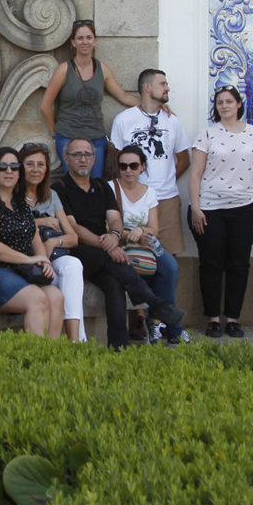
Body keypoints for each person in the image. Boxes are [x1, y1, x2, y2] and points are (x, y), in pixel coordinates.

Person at [55, 138, 185, 347]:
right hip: (78, 251)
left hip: (105, 248)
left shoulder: (102, 186)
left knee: (114, 285)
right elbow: (73, 228)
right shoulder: (59, 188)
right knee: (110, 260)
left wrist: (115, 236)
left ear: (94, 159)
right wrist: (107, 246)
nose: (82, 159)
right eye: (77, 155)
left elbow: (115, 218)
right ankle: (154, 302)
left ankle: (119, 347)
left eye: (87, 154)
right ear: (66, 159)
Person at [108, 69, 190, 325]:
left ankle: (160, 321)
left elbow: (184, 158)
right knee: (134, 255)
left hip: (165, 199)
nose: (167, 88)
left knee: (167, 260)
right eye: (163, 83)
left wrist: (161, 184)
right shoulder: (124, 119)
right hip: (129, 198)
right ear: (147, 87)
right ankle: (139, 316)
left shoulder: (172, 121)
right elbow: (114, 160)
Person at [187, 85, 253, 339]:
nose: (224, 106)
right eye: (220, 102)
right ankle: (213, 318)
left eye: (229, 102)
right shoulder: (207, 134)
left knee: (238, 264)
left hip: (244, 209)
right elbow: (196, 174)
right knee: (211, 264)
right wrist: (196, 208)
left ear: (238, 105)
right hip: (210, 209)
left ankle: (233, 318)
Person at [0, 147, 69, 339]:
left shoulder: (19, 202)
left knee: (57, 297)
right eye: (3, 167)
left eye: (14, 167)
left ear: (19, 173)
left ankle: (51, 358)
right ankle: (33, 361)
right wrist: (30, 259)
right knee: (38, 299)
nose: (9, 171)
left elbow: (33, 234)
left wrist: (43, 260)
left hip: (22, 270)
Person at [38, 19, 139, 179]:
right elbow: (45, 106)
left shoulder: (102, 69)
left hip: (96, 138)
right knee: (75, 184)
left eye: (89, 37)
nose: (85, 42)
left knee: (96, 185)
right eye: (80, 38)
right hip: (68, 137)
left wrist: (152, 104)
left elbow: (123, 96)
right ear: (73, 42)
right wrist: (55, 134)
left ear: (95, 40)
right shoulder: (64, 69)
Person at [111, 144, 190, 344]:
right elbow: (106, 224)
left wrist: (141, 231)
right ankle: (172, 329)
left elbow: (153, 227)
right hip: (121, 243)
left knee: (170, 267)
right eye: (123, 166)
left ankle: (156, 322)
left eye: (134, 165)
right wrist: (129, 233)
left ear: (142, 167)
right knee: (153, 274)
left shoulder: (150, 192)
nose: (128, 170)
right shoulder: (111, 188)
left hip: (146, 243)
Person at [21, 143, 88, 343]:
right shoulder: (12, 196)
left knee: (74, 265)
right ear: (20, 167)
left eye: (41, 164)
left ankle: (75, 340)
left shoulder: (51, 196)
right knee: (59, 286)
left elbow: (73, 237)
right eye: (30, 164)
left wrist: (53, 242)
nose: (35, 169)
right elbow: (7, 225)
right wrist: (40, 221)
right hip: (26, 256)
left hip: (53, 255)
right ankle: (73, 343)